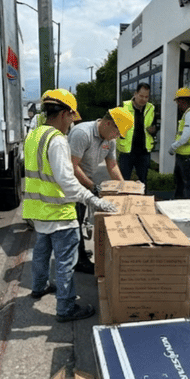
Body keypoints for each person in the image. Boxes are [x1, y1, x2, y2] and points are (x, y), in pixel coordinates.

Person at [22, 89, 117, 322]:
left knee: (41, 252)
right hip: (59, 212)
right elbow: (67, 182)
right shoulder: (56, 141)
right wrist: (95, 200)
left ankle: (39, 286)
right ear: (65, 114)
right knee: (66, 262)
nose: (71, 125)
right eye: (72, 118)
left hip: (38, 210)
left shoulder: (33, 136)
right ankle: (65, 308)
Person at [68, 107, 134, 273]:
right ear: (108, 123)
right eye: (117, 133)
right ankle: (78, 260)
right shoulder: (82, 134)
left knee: (80, 218)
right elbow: (72, 166)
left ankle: (79, 252)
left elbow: (112, 166)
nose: (117, 137)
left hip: (85, 182)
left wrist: (125, 188)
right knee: (73, 221)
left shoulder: (109, 140)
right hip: (71, 184)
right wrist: (91, 186)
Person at [117, 82, 156, 191]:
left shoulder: (151, 108)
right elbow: (115, 125)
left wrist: (153, 130)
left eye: (146, 97)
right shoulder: (124, 106)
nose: (143, 99)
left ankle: (142, 203)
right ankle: (124, 203)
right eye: (141, 96)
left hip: (143, 152)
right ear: (135, 94)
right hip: (127, 151)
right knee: (124, 181)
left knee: (143, 182)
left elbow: (154, 125)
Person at [168, 87, 190, 199]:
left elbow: (185, 136)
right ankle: (178, 202)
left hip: (187, 157)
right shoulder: (187, 114)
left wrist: (173, 147)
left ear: (181, 101)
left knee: (188, 184)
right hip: (183, 156)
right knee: (180, 182)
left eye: (177, 101)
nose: (177, 104)